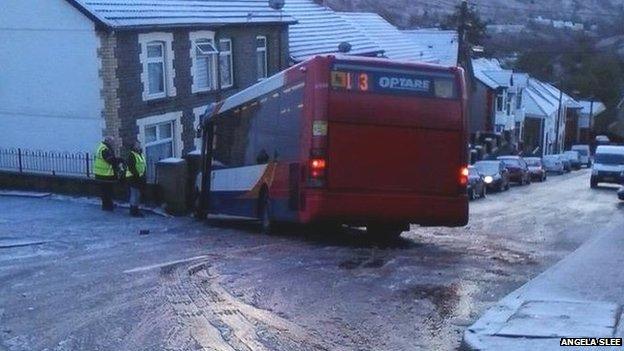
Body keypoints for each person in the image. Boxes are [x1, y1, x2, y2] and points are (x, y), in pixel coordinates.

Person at [94, 137, 119, 211]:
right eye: (112, 142)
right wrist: (119, 160)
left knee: (105, 191)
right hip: (105, 175)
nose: (113, 143)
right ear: (108, 141)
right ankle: (107, 206)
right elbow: (110, 160)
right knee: (107, 191)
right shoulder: (104, 149)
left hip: (101, 174)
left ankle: (107, 205)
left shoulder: (102, 147)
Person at [126, 141, 146, 217]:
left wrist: (143, 176)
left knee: (137, 195)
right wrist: (138, 176)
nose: (139, 146)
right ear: (134, 147)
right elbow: (132, 168)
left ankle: (135, 209)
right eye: (137, 145)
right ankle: (133, 211)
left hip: (138, 177)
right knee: (134, 194)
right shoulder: (132, 155)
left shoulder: (140, 154)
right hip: (132, 178)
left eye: (139, 145)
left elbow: (143, 166)